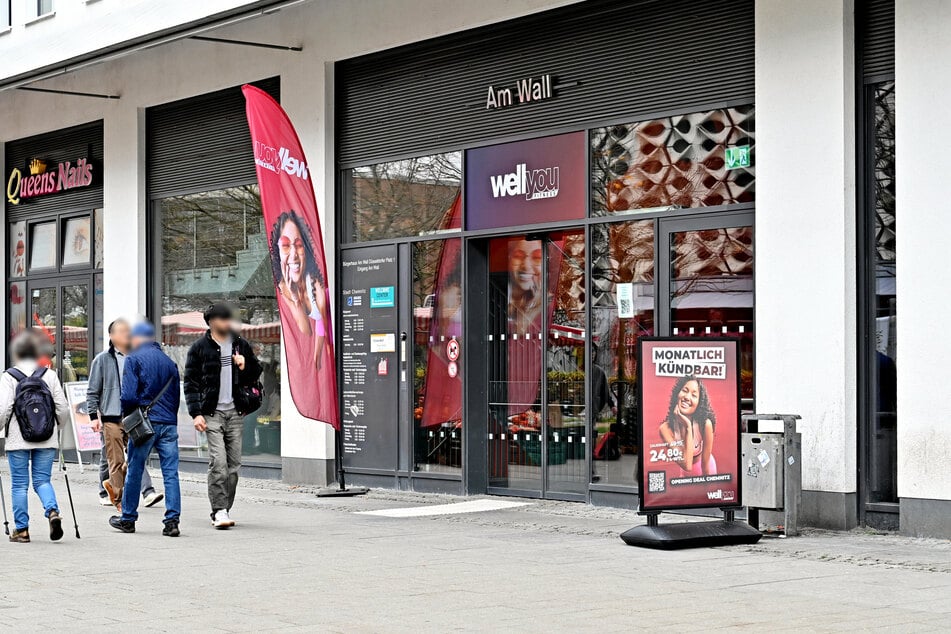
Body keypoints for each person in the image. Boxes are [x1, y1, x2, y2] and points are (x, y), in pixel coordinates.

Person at [184, 303, 262, 529]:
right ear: (211, 321)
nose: (227, 322)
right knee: (218, 463)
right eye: (222, 318)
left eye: (229, 318)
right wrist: (196, 413)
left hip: (235, 412)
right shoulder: (199, 348)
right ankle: (219, 510)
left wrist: (245, 365)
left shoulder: (240, 344)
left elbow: (256, 373)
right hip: (212, 413)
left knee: (234, 466)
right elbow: (190, 383)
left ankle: (225, 507)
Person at [109, 321, 182, 537]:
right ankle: (172, 522)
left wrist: (128, 416)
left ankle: (128, 519)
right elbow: (176, 397)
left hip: (145, 423)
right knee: (171, 473)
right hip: (169, 424)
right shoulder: (170, 363)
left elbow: (129, 395)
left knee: (135, 469)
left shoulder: (133, 358)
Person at [0, 330, 71, 543]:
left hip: (18, 439)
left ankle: (21, 530)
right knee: (42, 480)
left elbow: (4, 408)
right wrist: (57, 427)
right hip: (46, 438)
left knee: (20, 484)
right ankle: (52, 511)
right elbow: (63, 408)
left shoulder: (9, 376)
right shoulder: (49, 375)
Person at [88, 318, 163, 511]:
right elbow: (92, 390)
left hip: (135, 417)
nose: (127, 334)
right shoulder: (103, 359)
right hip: (111, 417)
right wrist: (93, 417)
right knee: (115, 459)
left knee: (136, 456)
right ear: (112, 336)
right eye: (121, 331)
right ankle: (119, 499)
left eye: (128, 331)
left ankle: (146, 492)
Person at [658, 375, 717, 476]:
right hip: (685, 473)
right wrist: (688, 427)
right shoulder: (665, 429)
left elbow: (705, 466)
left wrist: (708, 488)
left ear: (699, 403)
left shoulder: (705, 424)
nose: (687, 397)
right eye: (684, 390)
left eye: (694, 395)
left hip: (706, 470)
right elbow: (687, 465)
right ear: (677, 394)